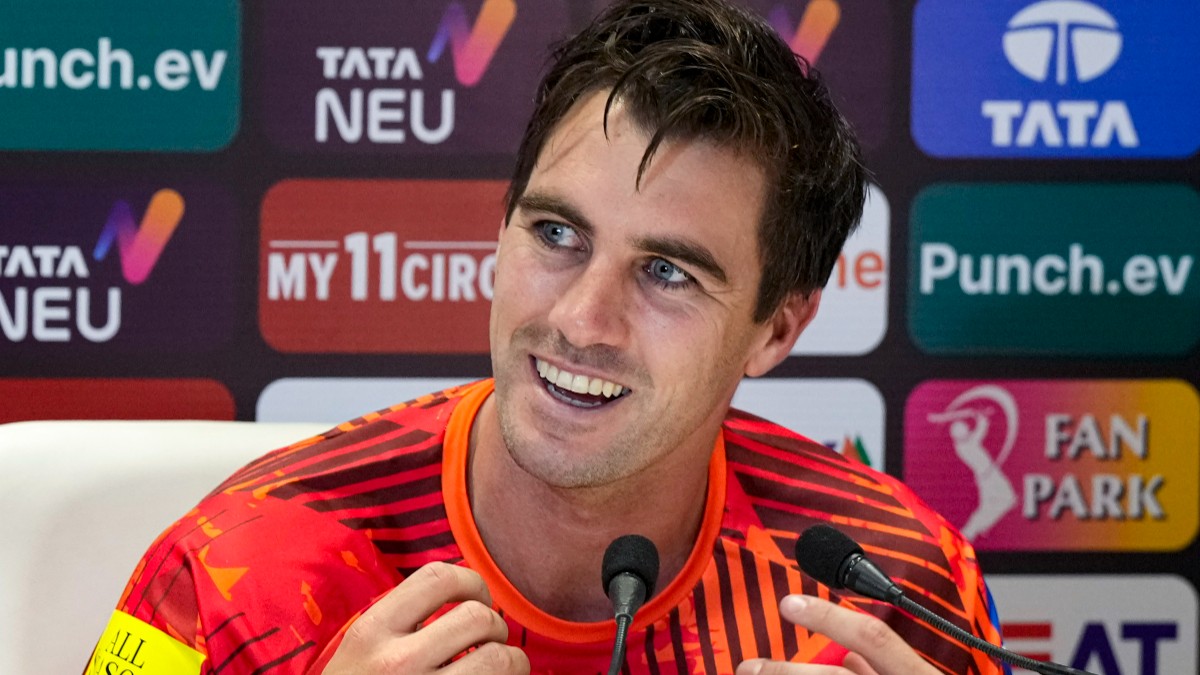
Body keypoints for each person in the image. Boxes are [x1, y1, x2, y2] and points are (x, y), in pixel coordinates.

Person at [88, 1, 1005, 673]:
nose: (579, 320)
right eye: (557, 233)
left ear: (778, 328)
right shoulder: (230, 570)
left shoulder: (897, 591)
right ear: (502, 230)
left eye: (668, 272)